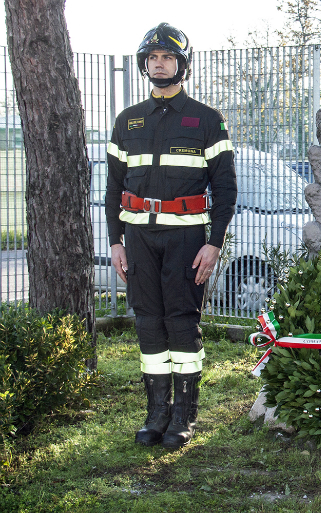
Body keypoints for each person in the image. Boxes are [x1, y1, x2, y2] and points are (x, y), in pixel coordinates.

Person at [105, 22, 237, 450]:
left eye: (167, 57)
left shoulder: (208, 120)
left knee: (181, 323)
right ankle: (156, 413)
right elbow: (113, 188)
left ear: (183, 64)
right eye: (153, 58)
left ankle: (183, 416)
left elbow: (226, 189)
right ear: (145, 64)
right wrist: (116, 241)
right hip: (139, 239)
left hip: (186, 240)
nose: (159, 64)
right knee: (147, 323)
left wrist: (214, 243)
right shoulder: (127, 121)